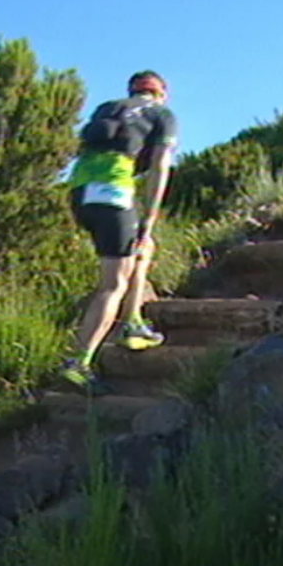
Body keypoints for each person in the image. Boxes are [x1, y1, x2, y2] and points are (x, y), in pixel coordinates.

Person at [57, 70, 179, 395]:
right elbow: (159, 168)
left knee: (142, 250)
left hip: (80, 194)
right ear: (161, 93)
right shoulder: (162, 115)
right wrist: (151, 218)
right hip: (113, 195)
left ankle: (132, 323)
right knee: (112, 284)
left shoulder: (108, 108)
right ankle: (78, 363)